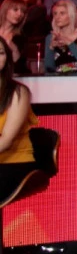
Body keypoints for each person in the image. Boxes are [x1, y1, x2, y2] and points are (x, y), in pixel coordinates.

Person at [0, 36, 37, 201]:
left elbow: (6, 140)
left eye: (1, 53)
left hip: (15, 162)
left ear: (7, 59)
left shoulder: (18, 92)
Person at [44, 0, 77, 73]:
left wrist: (70, 43)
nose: (57, 17)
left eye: (62, 13)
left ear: (71, 15)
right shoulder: (51, 37)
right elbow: (49, 69)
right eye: (55, 13)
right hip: (59, 78)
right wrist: (51, 48)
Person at [0, 0, 29, 73]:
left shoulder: (20, 37)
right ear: (5, 10)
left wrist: (13, 48)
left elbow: (19, 64)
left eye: (23, 11)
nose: (19, 14)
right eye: (15, 9)